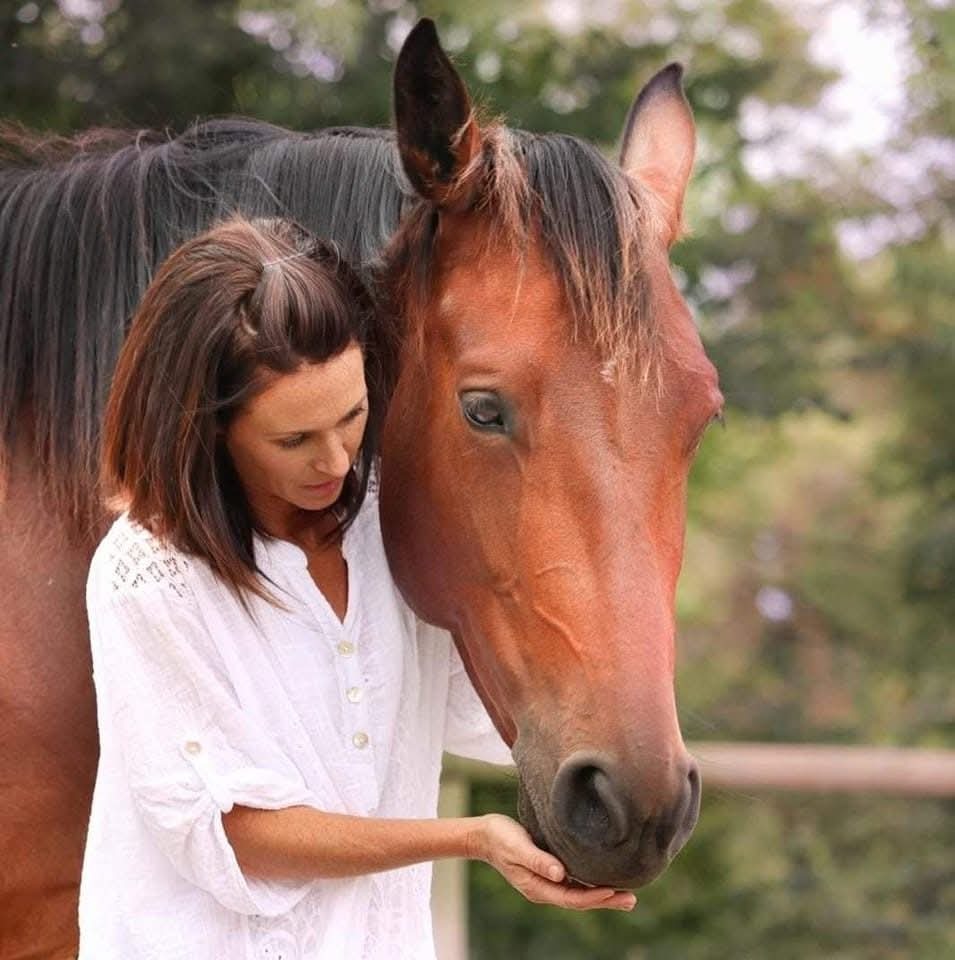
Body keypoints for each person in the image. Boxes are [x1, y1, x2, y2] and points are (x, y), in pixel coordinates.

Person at [79, 216, 636, 960]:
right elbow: (235, 834)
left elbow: (481, 707)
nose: (336, 460)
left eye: (351, 416)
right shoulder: (148, 577)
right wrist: (469, 839)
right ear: (204, 428)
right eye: (293, 440)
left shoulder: (395, 517)